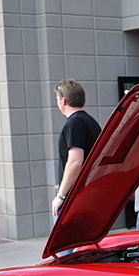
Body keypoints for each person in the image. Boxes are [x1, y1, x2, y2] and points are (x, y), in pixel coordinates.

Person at [52, 79, 101, 219]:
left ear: (64, 101)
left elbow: (75, 161)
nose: (57, 103)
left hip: (74, 199)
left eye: (57, 99)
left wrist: (61, 196)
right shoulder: (91, 122)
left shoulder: (75, 123)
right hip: (88, 196)